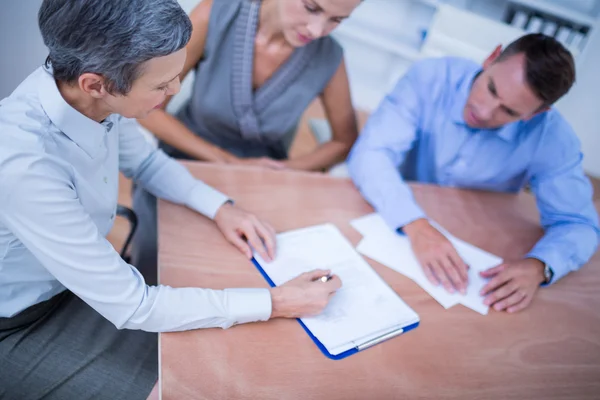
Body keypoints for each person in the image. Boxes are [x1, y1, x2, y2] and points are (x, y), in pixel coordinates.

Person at [0, 1, 341, 399]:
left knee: (211, 348)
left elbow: (145, 161)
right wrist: (277, 300)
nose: (175, 91)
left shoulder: (84, 93)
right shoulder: (25, 162)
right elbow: (134, 305)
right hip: (19, 323)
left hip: (75, 287)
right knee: (187, 384)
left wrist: (222, 207)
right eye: (162, 86)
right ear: (96, 83)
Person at [348, 33, 599, 313]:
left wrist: (540, 266)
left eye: (509, 111)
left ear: (536, 113)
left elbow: (580, 225)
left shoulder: (553, 138)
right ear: (491, 58)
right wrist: (416, 225)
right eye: (491, 88)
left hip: (476, 237)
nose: (484, 111)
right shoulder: (430, 77)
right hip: (393, 216)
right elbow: (371, 154)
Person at [132, 0, 362, 273]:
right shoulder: (214, 15)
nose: (316, 30)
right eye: (311, 8)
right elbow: (148, 108)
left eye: (337, 20)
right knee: (166, 265)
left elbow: (344, 142)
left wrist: (283, 169)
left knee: (260, 265)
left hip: (264, 180)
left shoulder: (330, 58)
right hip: (184, 162)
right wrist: (227, 161)